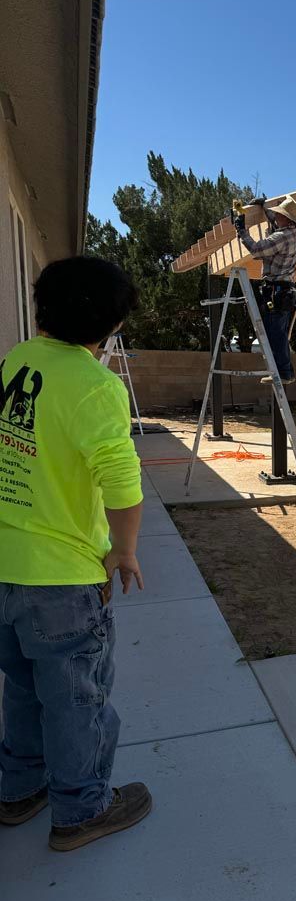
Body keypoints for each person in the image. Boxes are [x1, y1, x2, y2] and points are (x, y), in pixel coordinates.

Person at [0, 255, 151, 852]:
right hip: (59, 582)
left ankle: (18, 790)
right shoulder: (96, 386)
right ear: (107, 327)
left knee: (22, 686)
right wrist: (125, 549)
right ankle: (82, 809)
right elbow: (122, 480)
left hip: (5, 566)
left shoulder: (17, 360)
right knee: (76, 698)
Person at [234, 199, 296, 383]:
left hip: (277, 290)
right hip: (282, 290)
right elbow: (275, 221)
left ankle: (283, 374)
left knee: (275, 334)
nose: (277, 216)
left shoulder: (283, 236)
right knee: (277, 333)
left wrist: (242, 231)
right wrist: (264, 207)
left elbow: (257, 250)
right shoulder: (292, 232)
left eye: (280, 214)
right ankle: (286, 372)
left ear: (287, 219)